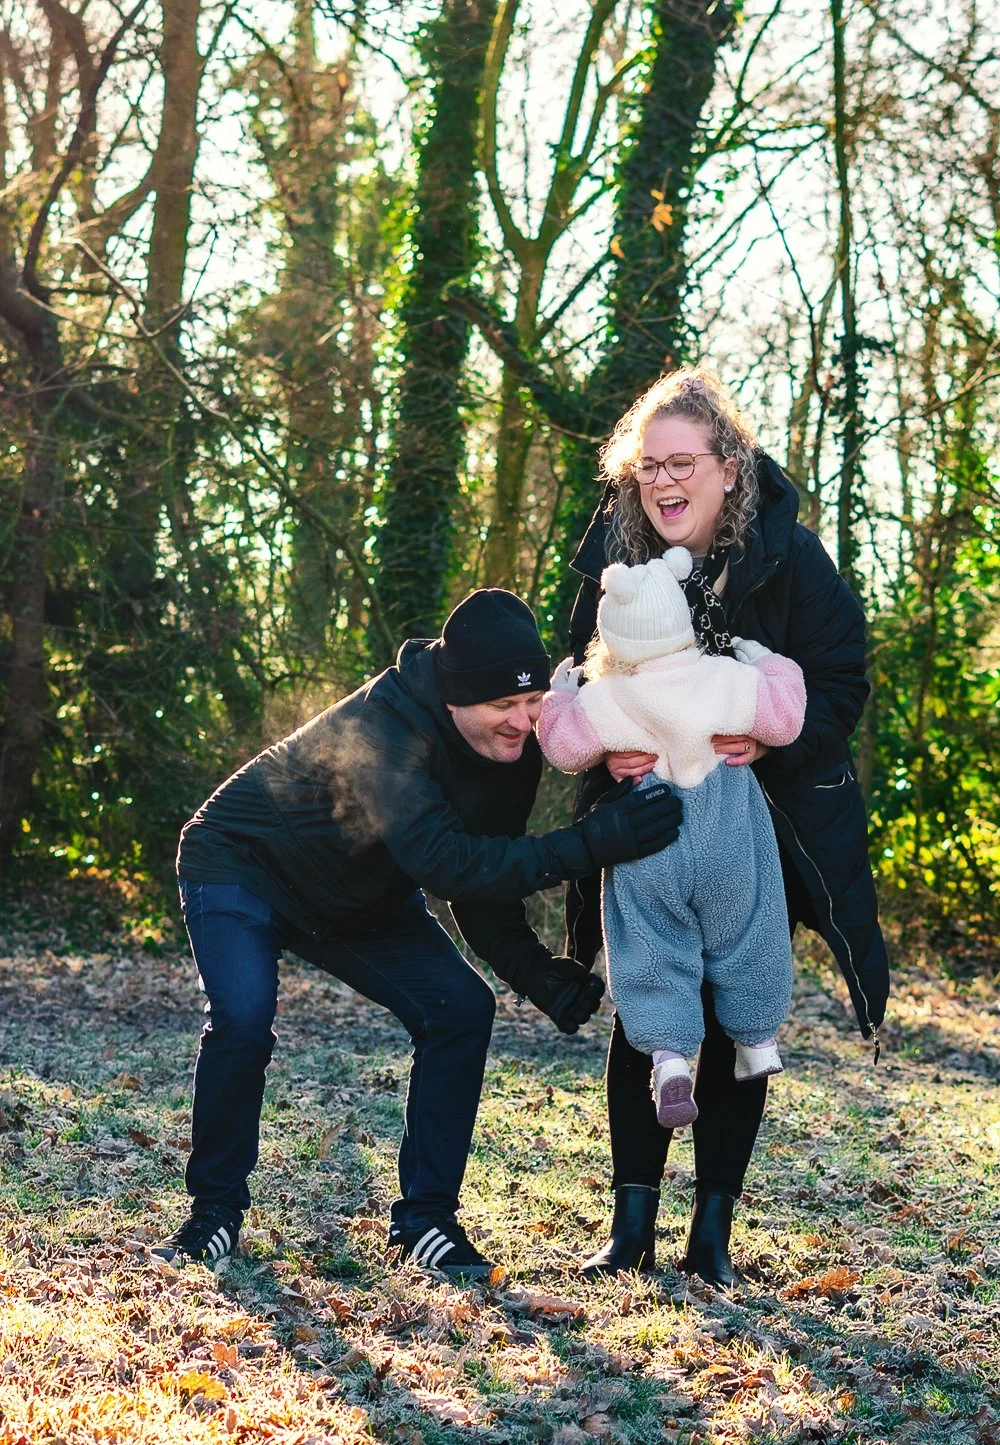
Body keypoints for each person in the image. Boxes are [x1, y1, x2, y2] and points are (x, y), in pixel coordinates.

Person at [153, 588, 682, 1280]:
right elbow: (445, 862)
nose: (523, 723)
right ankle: (212, 1218)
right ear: (458, 698)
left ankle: (425, 1222)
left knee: (461, 1010)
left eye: (532, 705)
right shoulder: (385, 727)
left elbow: (479, 871)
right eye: (504, 706)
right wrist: (587, 845)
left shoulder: (512, 746)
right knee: (244, 1019)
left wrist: (530, 969)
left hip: (359, 896)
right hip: (243, 864)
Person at [563, 366, 889, 1285]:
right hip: (643, 824)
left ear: (729, 468)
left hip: (763, 829)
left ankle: (712, 1235)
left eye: (681, 464)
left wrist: (766, 741)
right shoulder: (610, 552)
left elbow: (840, 683)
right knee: (648, 1011)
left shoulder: (791, 558)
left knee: (736, 1015)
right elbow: (575, 671)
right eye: (647, 467)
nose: (663, 483)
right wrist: (607, 748)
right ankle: (630, 1230)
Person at [538, 547, 807, 1126]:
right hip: (727, 829)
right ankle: (757, 1041)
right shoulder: (722, 676)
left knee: (650, 942)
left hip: (650, 833)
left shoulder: (607, 695)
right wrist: (764, 661)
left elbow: (561, 748)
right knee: (752, 926)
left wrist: (561, 693)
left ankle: (668, 1062)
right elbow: (786, 719)